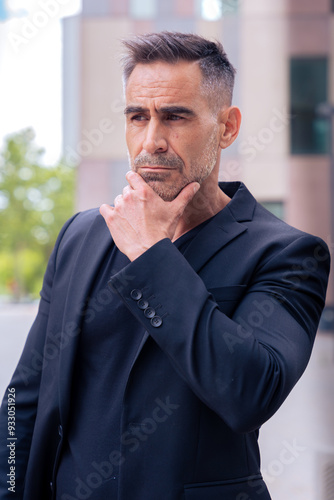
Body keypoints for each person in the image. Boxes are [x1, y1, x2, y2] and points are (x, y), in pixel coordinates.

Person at [0, 32, 330, 500]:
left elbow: (251, 392)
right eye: (138, 116)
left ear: (227, 127)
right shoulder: (81, 235)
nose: (152, 141)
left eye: (175, 116)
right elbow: (24, 399)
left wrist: (153, 255)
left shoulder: (288, 254)